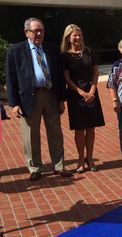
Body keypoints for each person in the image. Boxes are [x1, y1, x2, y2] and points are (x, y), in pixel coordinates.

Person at [6, 17, 72, 181]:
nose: (39, 34)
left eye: (41, 30)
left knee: (55, 132)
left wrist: (62, 99)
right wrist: (14, 104)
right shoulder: (15, 51)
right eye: (35, 31)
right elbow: (11, 78)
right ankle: (35, 168)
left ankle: (59, 165)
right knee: (30, 134)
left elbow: (58, 77)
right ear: (26, 32)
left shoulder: (53, 49)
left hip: (50, 95)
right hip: (29, 98)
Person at [60, 24, 105, 173]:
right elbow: (66, 78)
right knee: (79, 130)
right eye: (74, 35)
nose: (78, 37)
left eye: (79, 34)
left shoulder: (89, 51)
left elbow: (95, 72)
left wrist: (92, 90)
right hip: (75, 95)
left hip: (91, 93)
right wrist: (81, 92)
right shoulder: (65, 55)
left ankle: (90, 158)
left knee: (91, 128)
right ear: (68, 37)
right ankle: (80, 159)